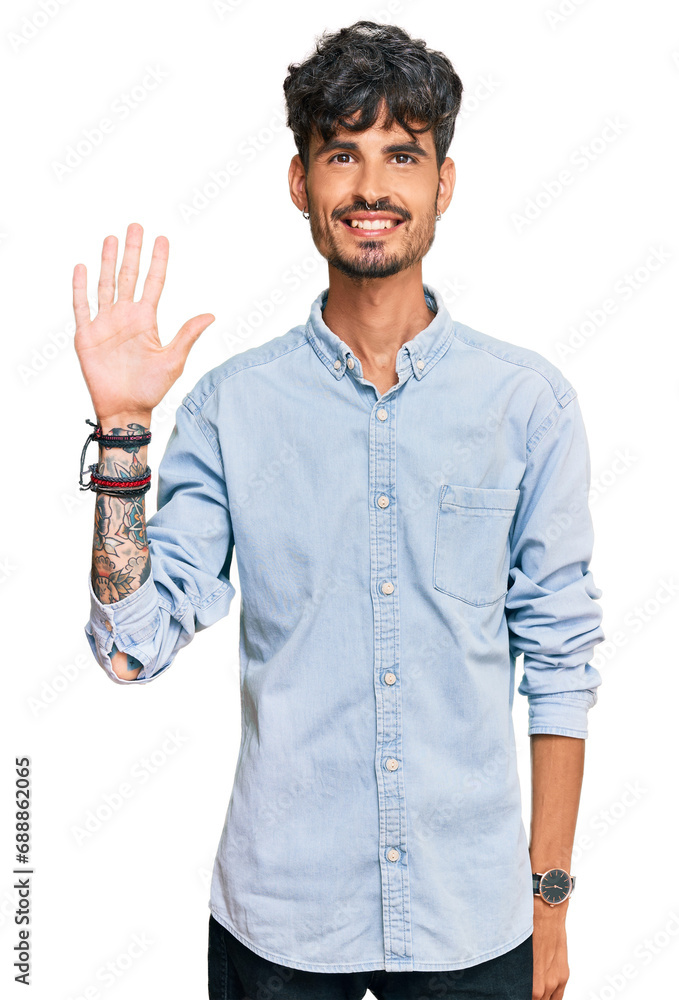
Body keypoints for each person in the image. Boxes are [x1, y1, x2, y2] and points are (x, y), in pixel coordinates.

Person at [74, 20, 605, 1000]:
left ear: (442, 182)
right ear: (300, 183)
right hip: (278, 926)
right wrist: (122, 436)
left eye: (402, 153)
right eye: (341, 153)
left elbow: (561, 660)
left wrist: (550, 900)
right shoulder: (232, 408)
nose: (371, 186)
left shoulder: (526, 405)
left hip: (474, 922)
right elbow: (128, 646)